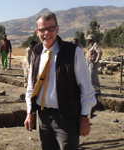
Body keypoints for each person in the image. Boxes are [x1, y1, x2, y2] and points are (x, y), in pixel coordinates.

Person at [24, 12, 97, 150]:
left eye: (50, 28)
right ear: (37, 32)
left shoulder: (74, 52)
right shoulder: (36, 53)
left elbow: (86, 88)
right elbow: (31, 86)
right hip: (43, 117)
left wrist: (85, 117)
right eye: (42, 30)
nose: (46, 33)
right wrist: (30, 112)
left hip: (67, 118)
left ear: (57, 29)